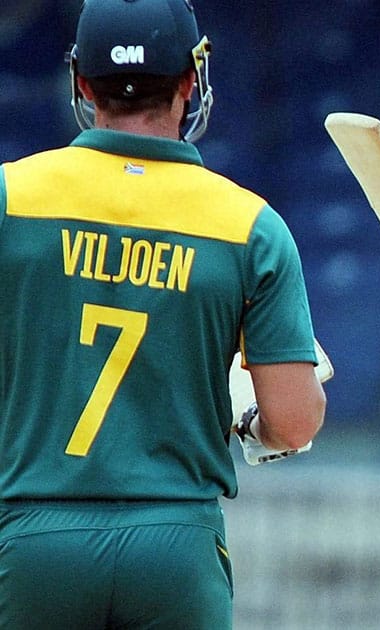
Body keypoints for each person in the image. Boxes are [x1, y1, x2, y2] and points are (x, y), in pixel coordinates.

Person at [0, 1, 326, 628]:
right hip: (177, 547)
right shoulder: (251, 227)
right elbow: (292, 423)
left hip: (34, 538)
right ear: (189, 81)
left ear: (81, 83)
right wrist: (251, 423)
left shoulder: (12, 197)